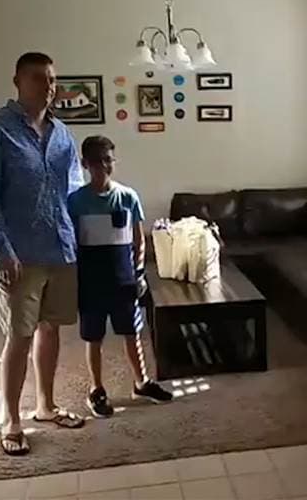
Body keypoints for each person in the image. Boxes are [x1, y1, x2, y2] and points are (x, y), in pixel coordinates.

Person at [0, 52, 85, 456]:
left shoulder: (62, 134)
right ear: (17, 81)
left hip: (61, 249)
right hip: (19, 255)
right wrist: (1, 251)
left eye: (52, 79)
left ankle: (46, 406)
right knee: (19, 335)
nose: (47, 86)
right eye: (38, 78)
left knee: (51, 328)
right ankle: (11, 419)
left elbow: (73, 190)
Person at [68, 135, 173, 418]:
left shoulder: (128, 197)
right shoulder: (75, 201)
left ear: (114, 161)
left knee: (132, 332)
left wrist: (138, 274)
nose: (103, 166)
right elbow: (72, 243)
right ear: (85, 164)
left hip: (123, 279)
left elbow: (138, 240)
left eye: (108, 160)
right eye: (96, 161)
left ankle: (142, 383)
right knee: (94, 337)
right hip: (90, 281)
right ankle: (96, 389)